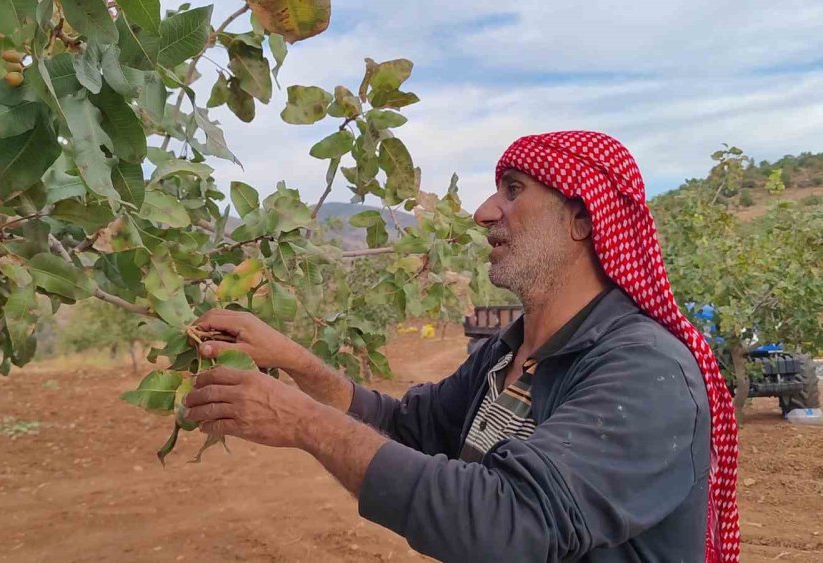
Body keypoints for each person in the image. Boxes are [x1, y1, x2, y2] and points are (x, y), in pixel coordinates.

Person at [183, 131, 740, 562]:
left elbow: (510, 523)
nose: (484, 212)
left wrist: (305, 423)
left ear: (580, 218)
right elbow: (411, 429)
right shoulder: (508, 353)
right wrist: (296, 362)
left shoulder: (646, 373)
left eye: (514, 190)